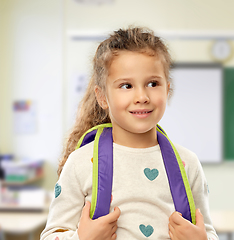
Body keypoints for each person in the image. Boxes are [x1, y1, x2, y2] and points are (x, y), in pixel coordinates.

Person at [40, 26, 219, 240]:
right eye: (126, 86)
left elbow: (208, 232)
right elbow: (51, 236)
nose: (142, 96)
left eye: (153, 83)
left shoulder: (188, 164)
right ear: (102, 97)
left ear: (167, 89)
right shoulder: (80, 164)